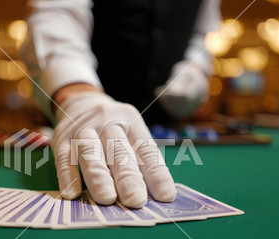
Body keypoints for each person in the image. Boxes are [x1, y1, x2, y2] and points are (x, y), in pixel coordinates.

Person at [20, 0, 221, 208]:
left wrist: (196, 66)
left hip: (167, 132)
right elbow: (57, 15)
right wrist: (78, 94)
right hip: (86, 127)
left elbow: (201, 32)